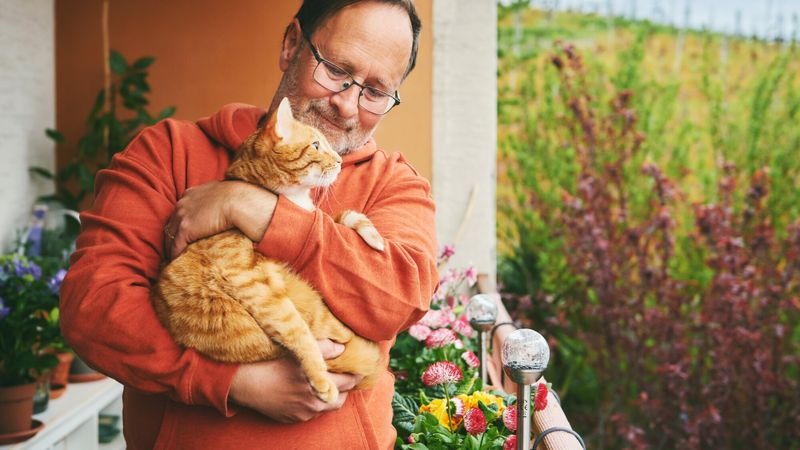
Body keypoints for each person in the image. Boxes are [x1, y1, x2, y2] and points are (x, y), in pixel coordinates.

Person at [59, 1, 437, 448]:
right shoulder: (167, 152)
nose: (348, 105)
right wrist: (231, 381)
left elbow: (398, 297)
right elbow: (94, 305)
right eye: (336, 70)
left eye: (376, 91)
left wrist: (253, 209)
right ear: (291, 44)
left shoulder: (395, 184)